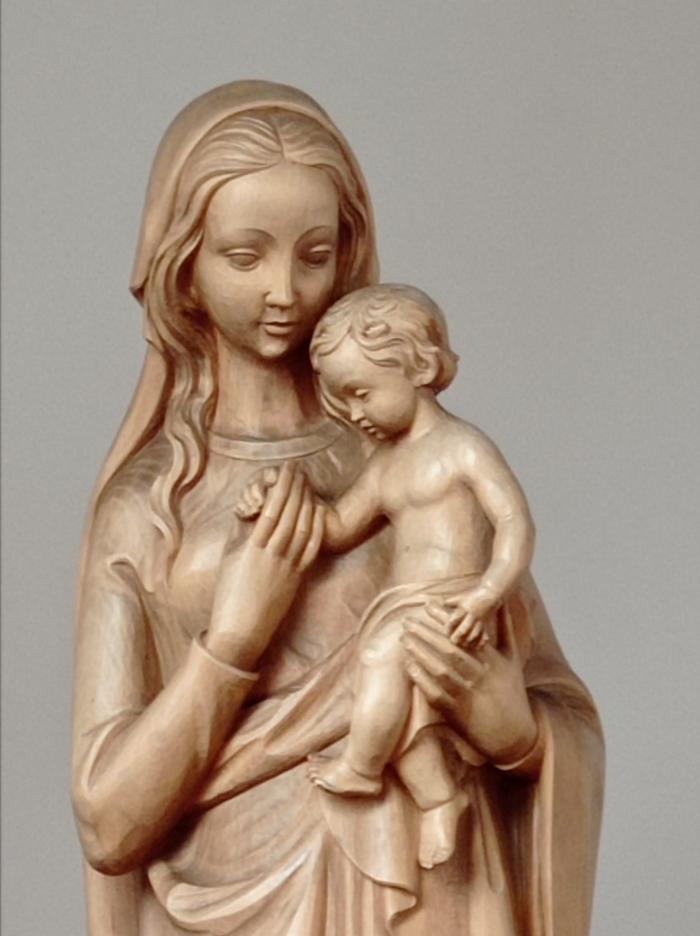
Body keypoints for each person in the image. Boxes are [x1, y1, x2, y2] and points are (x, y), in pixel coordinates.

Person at [72, 81, 604, 936]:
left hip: (434, 891)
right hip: (228, 899)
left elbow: (549, 702)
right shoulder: (149, 506)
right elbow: (107, 820)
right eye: (245, 256)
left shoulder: (409, 456)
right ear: (184, 268)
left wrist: (517, 736)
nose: (284, 290)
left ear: (348, 254)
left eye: (314, 255)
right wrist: (233, 643)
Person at [236, 283, 536, 872]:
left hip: (452, 602)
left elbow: (515, 523)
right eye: (341, 399)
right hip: (404, 605)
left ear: (419, 368)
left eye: (361, 393)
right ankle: (438, 799)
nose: (354, 413)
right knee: (399, 709)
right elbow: (336, 527)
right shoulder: (385, 466)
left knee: (379, 668)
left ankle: (361, 767)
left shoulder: (462, 447)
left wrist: (486, 595)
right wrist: (281, 496)